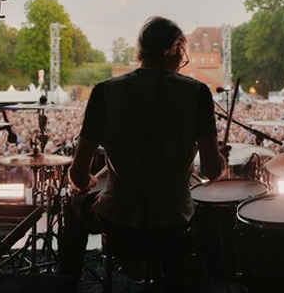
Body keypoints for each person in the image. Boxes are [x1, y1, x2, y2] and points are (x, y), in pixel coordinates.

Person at [57, 16, 228, 291]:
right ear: (174, 49)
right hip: (173, 224)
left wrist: (87, 183)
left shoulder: (104, 92)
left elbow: (78, 176)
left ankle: (63, 284)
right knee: (198, 216)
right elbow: (211, 170)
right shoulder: (197, 94)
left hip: (119, 223)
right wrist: (221, 157)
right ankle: (184, 276)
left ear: (141, 51)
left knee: (74, 206)